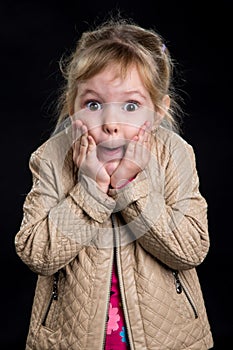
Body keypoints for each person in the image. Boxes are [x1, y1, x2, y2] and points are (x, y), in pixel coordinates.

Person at [15, 17, 214, 350]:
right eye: (93, 104)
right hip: (72, 340)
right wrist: (90, 188)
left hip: (168, 339)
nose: (110, 123)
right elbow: (37, 254)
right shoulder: (51, 157)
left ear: (158, 112)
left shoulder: (175, 154)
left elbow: (190, 249)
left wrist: (128, 187)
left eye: (131, 106)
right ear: (72, 106)